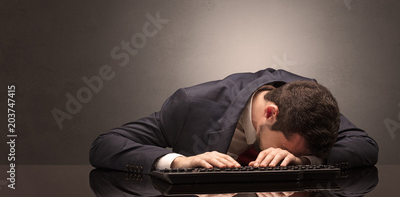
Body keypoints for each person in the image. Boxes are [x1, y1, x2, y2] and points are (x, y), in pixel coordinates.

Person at [89, 68, 378, 173]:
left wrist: (305, 162)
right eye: (289, 149)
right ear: (270, 113)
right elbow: (105, 146)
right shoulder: (190, 105)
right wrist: (179, 163)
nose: (286, 156)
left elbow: (365, 146)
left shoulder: (309, 102)